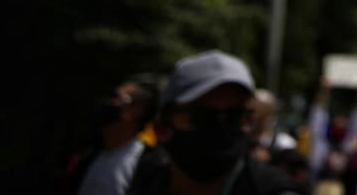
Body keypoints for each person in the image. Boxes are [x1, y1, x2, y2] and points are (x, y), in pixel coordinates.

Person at [127, 49, 304, 195]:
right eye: (203, 116)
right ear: (162, 127)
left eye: (234, 116)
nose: (220, 127)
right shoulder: (139, 183)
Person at [65, 75, 159, 195]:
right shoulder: (86, 155)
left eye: (119, 98)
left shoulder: (150, 165)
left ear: (137, 110)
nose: (110, 103)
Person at [251, 89, 298, 163]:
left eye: (262, 111)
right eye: (252, 111)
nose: (255, 116)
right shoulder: (240, 140)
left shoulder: (285, 144)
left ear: (270, 113)